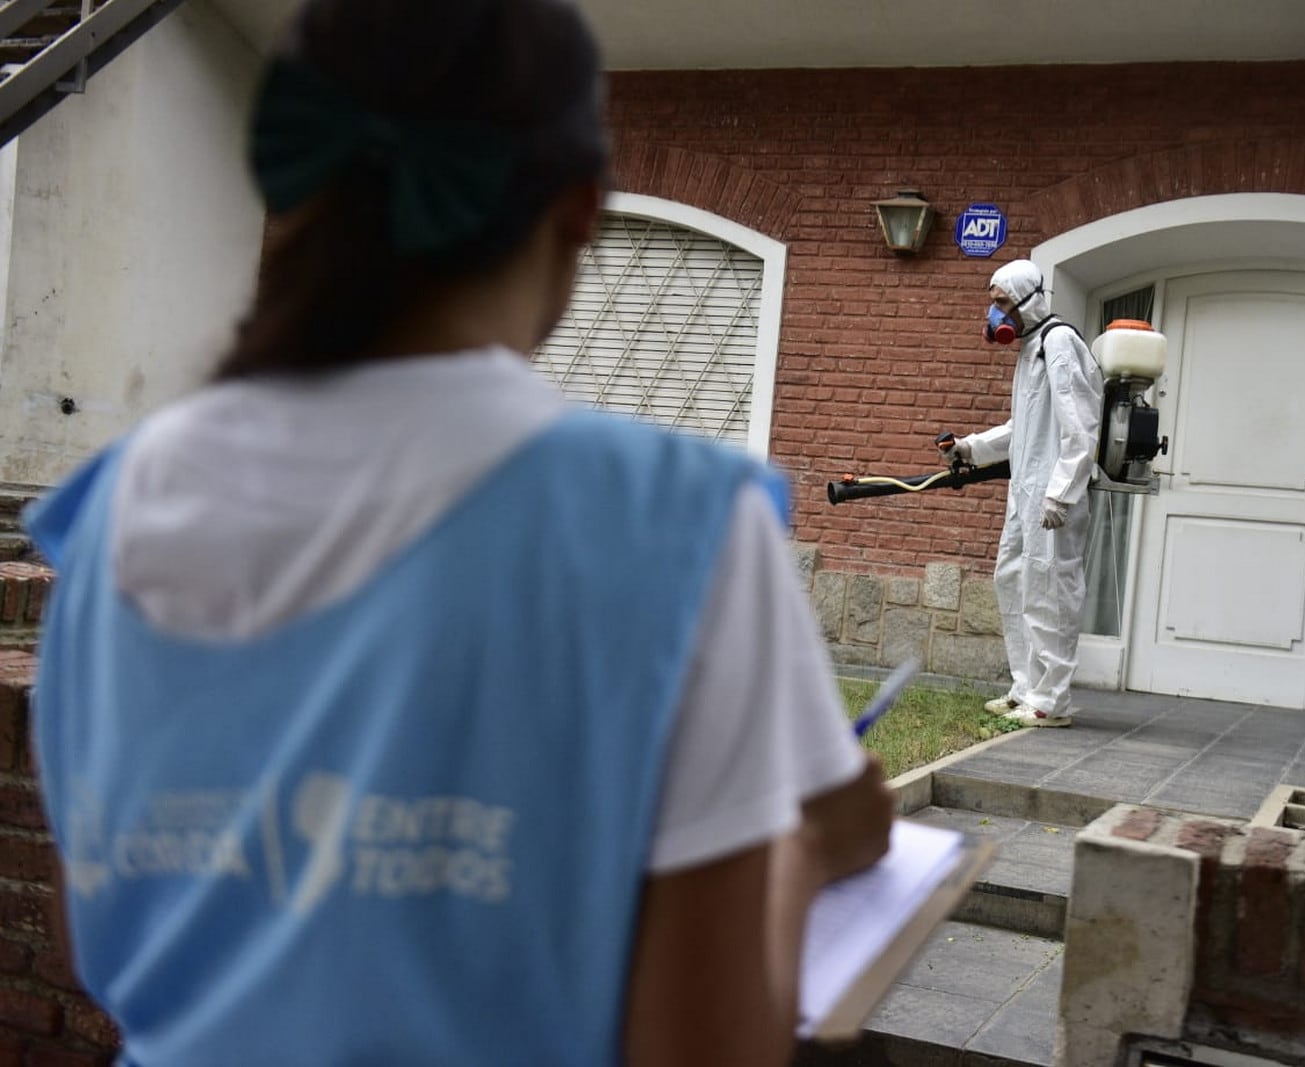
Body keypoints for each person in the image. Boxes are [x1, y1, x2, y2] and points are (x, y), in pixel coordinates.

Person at [24, 2, 892, 1064]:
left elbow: (92, 937)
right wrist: (802, 851)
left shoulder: (111, 506)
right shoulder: (676, 519)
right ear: (577, 210)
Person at [942, 260, 1103, 727]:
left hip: (1052, 499)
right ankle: (1024, 688)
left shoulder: (1058, 344)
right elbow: (1024, 428)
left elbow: (1080, 429)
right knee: (1013, 580)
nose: (996, 316)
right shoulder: (1031, 348)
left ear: (1029, 300)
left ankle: (1052, 700)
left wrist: (1061, 493)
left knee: (1050, 592)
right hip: (1025, 492)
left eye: (1001, 303)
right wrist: (971, 448)